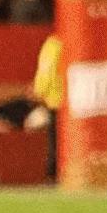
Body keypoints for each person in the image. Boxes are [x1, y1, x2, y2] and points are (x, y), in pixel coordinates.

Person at [31, 32, 65, 182]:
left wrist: (40, 91)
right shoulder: (70, 41)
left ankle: (53, 175)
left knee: (56, 141)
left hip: (56, 100)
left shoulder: (53, 44)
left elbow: (46, 70)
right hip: (72, 101)